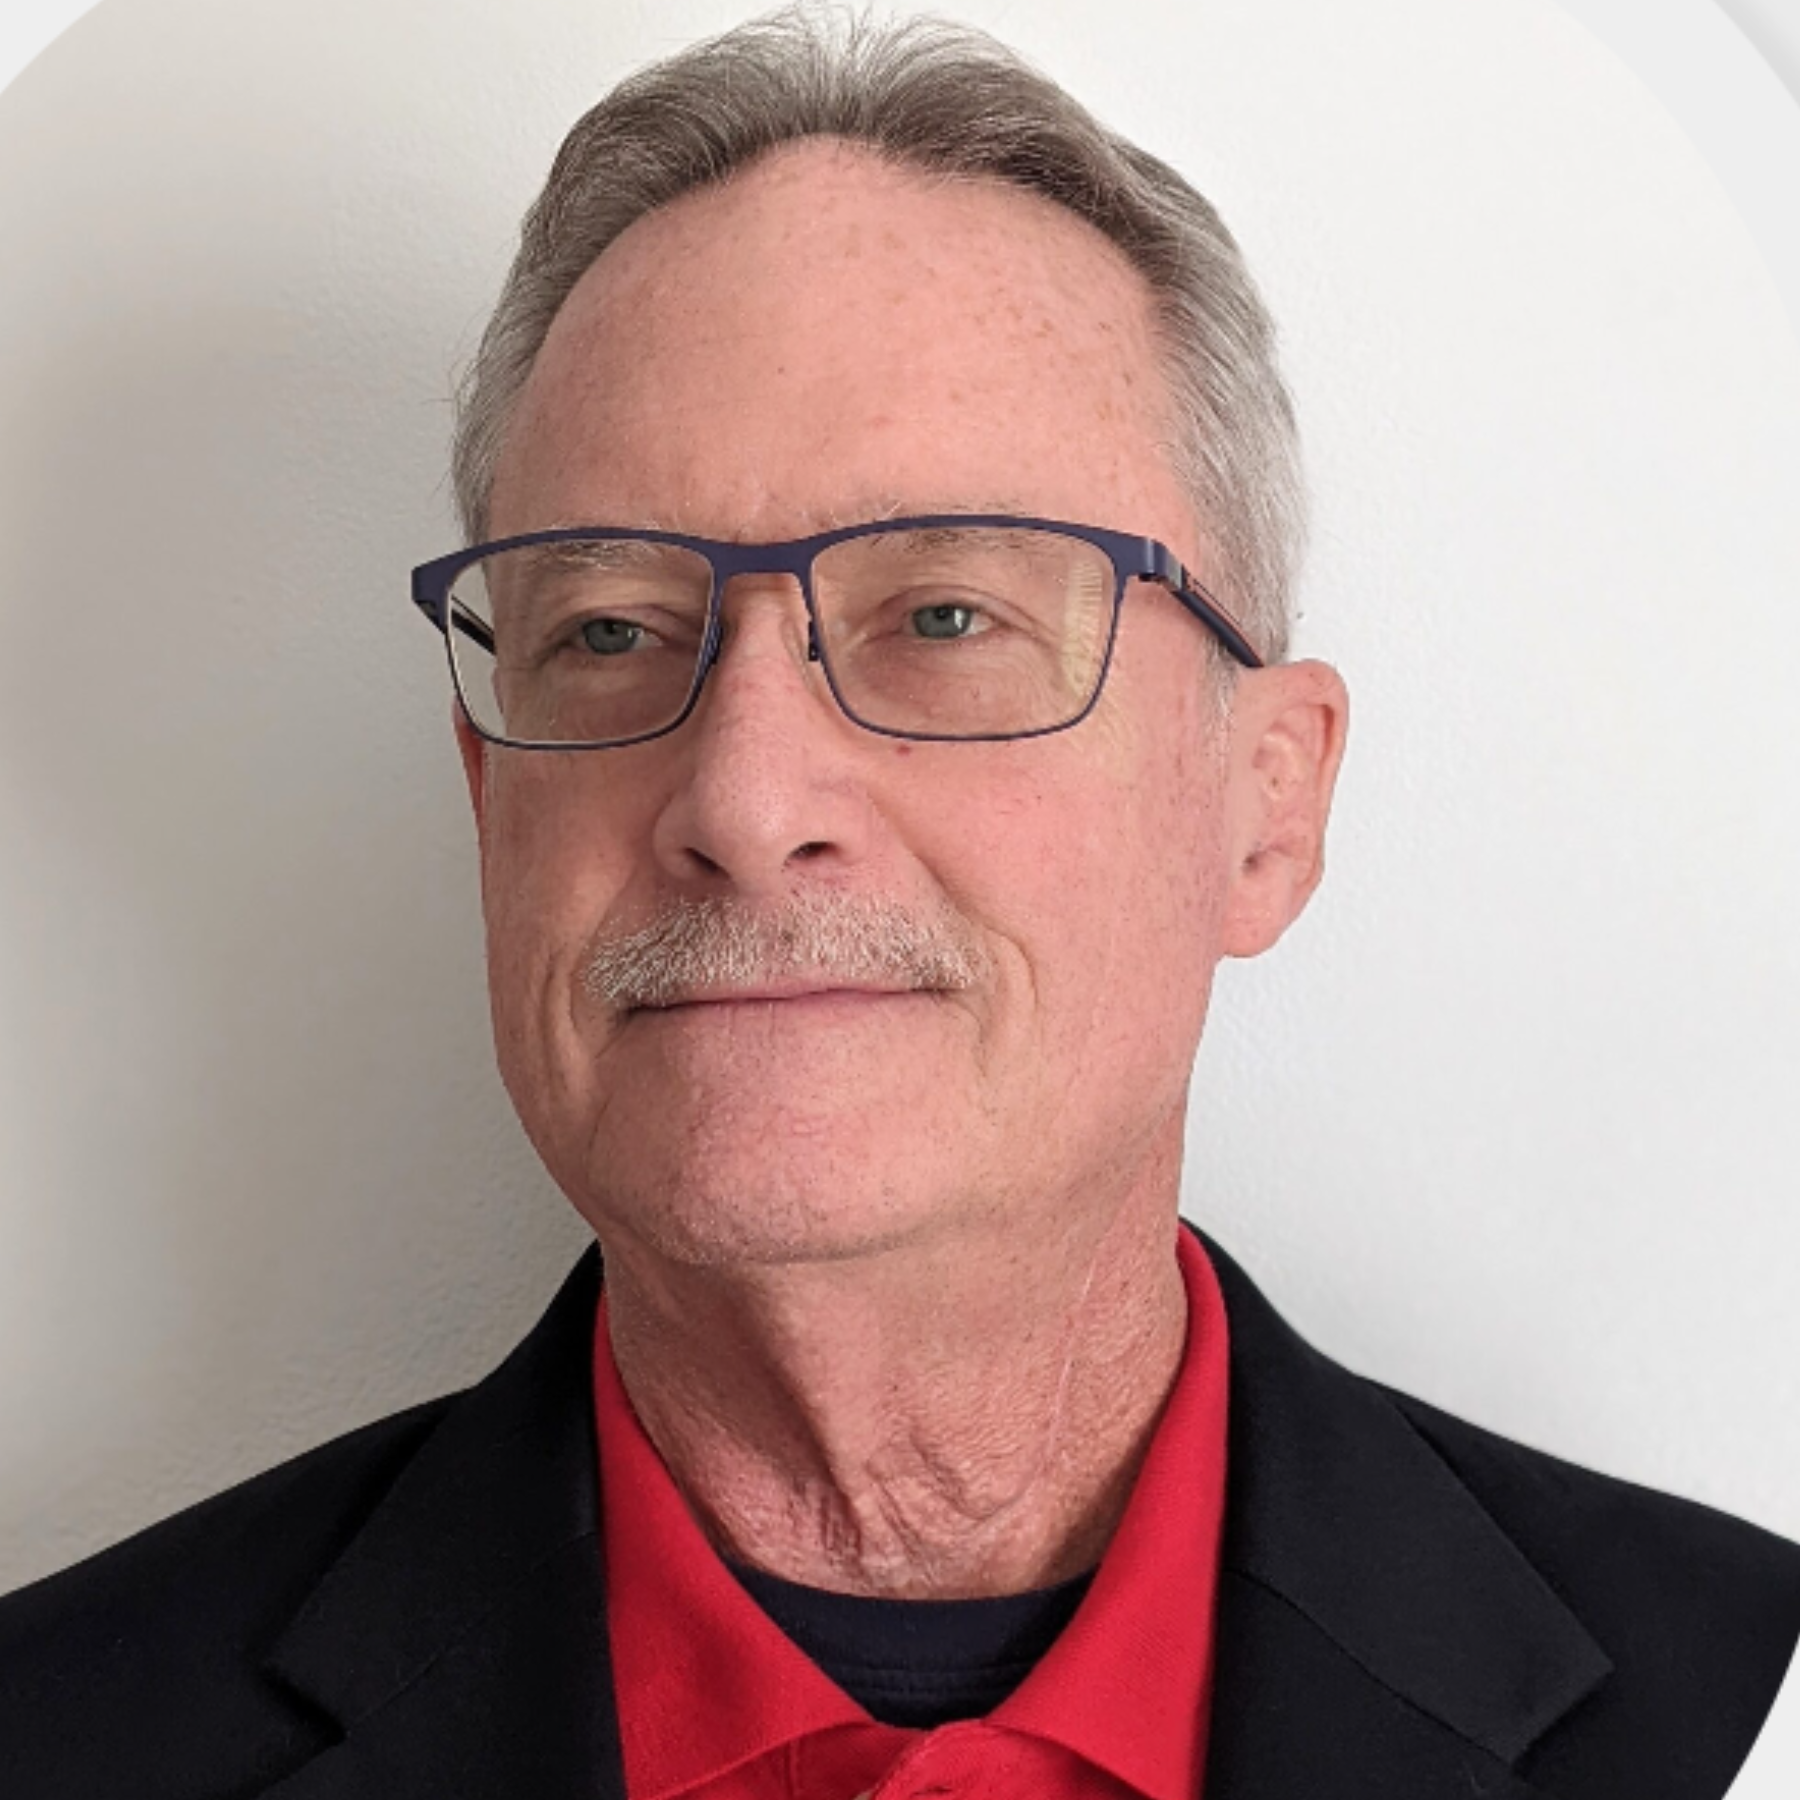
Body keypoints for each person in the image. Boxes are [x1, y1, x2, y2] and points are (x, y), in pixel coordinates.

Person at [2, 8, 1796, 1797]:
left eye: (946, 616)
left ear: (1268, 805)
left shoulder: (1737, 1708)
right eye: (611, 630)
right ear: (490, 803)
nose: (744, 800)